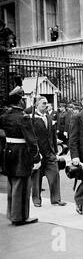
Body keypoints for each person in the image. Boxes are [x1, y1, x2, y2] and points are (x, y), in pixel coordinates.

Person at [0, 86, 41, 225]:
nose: (24, 102)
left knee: (12, 183)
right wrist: (36, 157)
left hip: (9, 150)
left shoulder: (5, 116)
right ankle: (20, 217)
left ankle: (12, 214)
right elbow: (31, 139)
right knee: (22, 185)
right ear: (19, 102)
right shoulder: (23, 117)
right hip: (21, 153)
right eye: (23, 99)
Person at [31, 96, 66, 207]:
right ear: (36, 105)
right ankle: (36, 200)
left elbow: (52, 136)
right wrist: (35, 154)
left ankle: (56, 199)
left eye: (46, 103)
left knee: (55, 174)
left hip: (50, 153)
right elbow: (31, 138)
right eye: (43, 103)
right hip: (38, 153)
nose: (45, 105)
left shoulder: (49, 117)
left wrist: (55, 151)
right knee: (36, 177)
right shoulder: (32, 119)